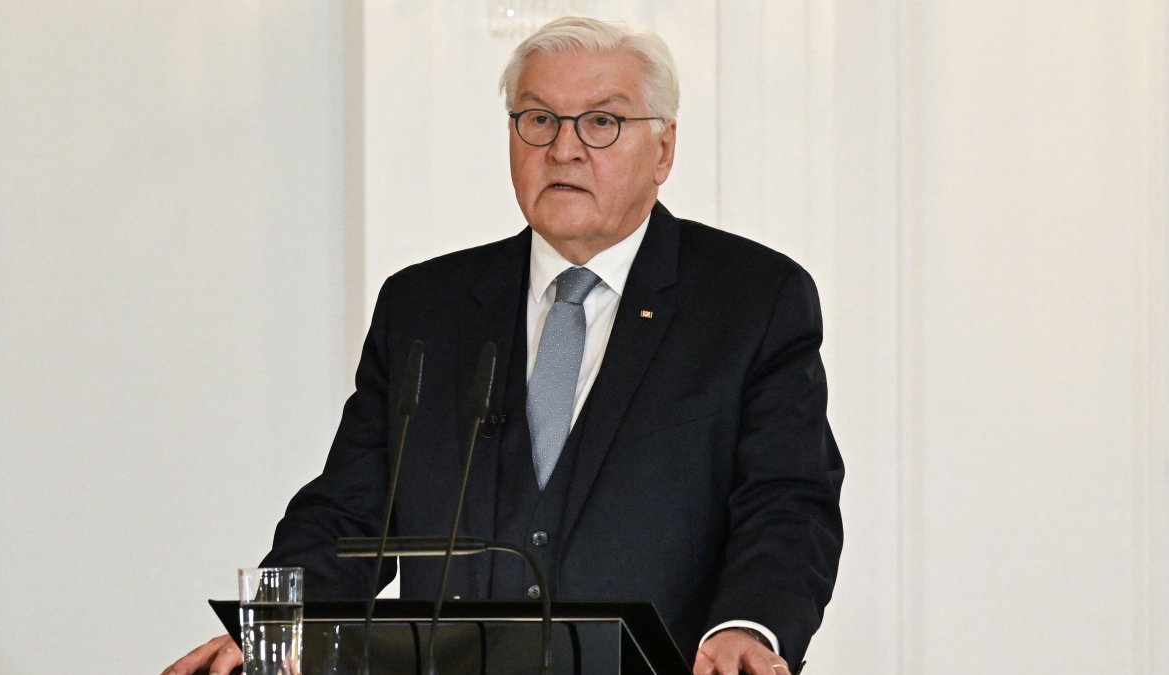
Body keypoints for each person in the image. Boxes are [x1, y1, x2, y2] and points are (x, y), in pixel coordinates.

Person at [164, 16, 842, 675]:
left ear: (663, 149)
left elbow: (786, 501)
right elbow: (350, 511)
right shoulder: (424, 306)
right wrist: (269, 628)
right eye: (539, 119)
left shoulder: (751, 300)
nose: (564, 149)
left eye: (602, 122)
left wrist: (748, 625)